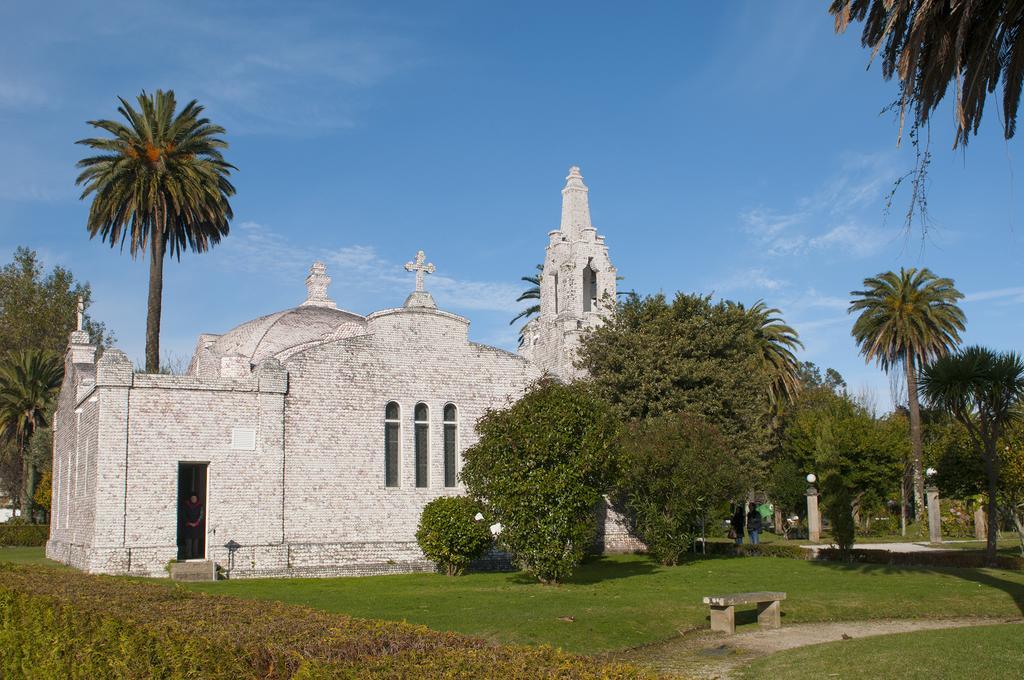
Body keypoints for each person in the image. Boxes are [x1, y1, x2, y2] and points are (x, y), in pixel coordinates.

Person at [182, 494, 204, 559]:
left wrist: (197, 523)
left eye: (195, 498)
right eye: (192, 498)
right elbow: (183, 514)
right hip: (188, 525)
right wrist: (189, 522)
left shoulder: (200, 505)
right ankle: (188, 555)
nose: (193, 499)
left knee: (196, 540)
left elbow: (201, 515)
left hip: (197, 526)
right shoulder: (186, 505)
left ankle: (195, 554)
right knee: (188, 540)